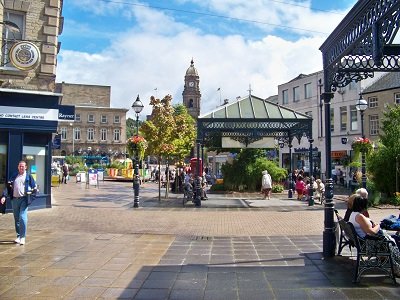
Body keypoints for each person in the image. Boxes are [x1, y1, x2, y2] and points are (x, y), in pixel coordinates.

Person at [348, 196, 400, 277]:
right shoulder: (359, 216)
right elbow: (371, 232)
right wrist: (378, 226)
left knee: (392, 239)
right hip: (368, 245)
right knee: (391, 243)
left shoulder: (353, 214)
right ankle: (396, 269)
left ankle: (392, 264)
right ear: (363, 205)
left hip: (363, 241)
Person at [0, 160, 38, 245]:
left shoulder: (29, 177)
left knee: (22, 217)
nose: (21, 168)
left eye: (23, 166)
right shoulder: (14, 176)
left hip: (24, 200)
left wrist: (30, 200)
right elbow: (8, 187)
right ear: (18, 167)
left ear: (26, 167)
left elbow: (35, 189)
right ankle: (18, 236)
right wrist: (4, 196)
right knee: (17, 219)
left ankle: (23, 237)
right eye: (20, 166)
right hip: (14, 200)